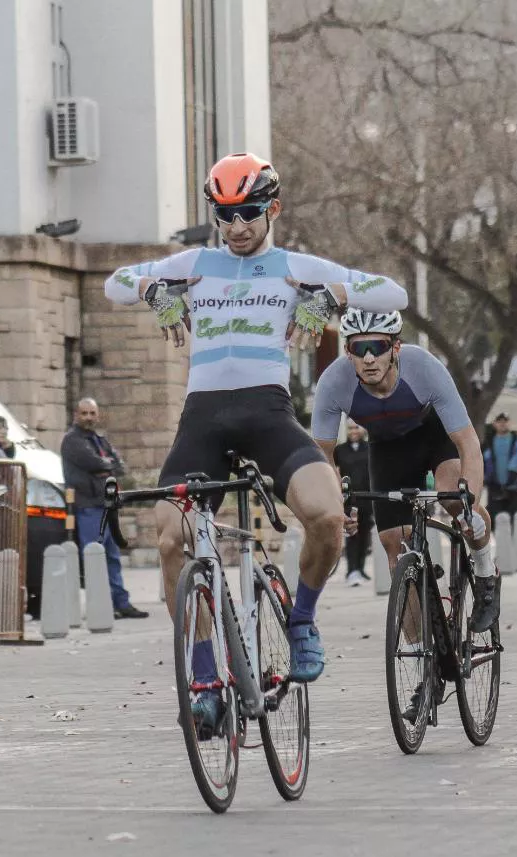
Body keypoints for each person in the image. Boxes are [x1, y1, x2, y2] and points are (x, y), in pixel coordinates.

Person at [104, 153, 408, 736]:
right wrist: (153, 288)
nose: (236, 226)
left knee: (326, 515)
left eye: (247, 213)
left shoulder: (297, 267)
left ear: (273, 209)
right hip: (203, 420)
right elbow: (112, 282)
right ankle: (202, 680)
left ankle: (301, 621)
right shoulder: (196, 264)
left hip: (269, 414)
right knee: (170, 536)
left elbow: (392, 293)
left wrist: (332, 296)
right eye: (224, 214)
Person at [313, 309, 499, 721]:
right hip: (388, 450)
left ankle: (486, 573)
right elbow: (323, 458)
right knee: (394, 546)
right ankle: (422, 669)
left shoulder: (425, 369)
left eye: (376, 347)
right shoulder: (334, 383)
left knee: (453, 500)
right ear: (347, 352)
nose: (367, 358)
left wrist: (470, 498)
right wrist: (336, 506)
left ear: (395, 348)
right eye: (357, 349)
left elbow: (467, 442)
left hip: (436, 439)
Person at [61, 398, 148, 621]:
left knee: (112, 556)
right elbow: (94, 464)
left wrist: (105, 465)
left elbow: (119, 465)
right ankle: (101, 605)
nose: (89, 417)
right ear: (76, 415)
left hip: (106, 505)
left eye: (92, 413)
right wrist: (105, 465)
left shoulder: (99, 440)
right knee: (94, 557)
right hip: (88, 506)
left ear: (97, 415)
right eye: (84, 413)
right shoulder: (72, 440)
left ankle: (121, 603)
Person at [482, 411, 517, 531]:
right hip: (494, 490)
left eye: (505, 421)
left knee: (515, 523)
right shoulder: (487, 444)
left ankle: (514, 548)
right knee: (493, 525)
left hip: (514, 489)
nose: (502, 424)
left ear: (510, 423)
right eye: (499, 421)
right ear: (494, 424)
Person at [333, 420, 373, 586]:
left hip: (367, 498)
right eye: (350, 428)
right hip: (349, 499)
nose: (353, 431)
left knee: (365, 534)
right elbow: (335, 472)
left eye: (356, 427)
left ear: (362, 429)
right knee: (352, 534)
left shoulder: (370, 448)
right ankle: (352, 570)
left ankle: (361, 569)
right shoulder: (340, 450)